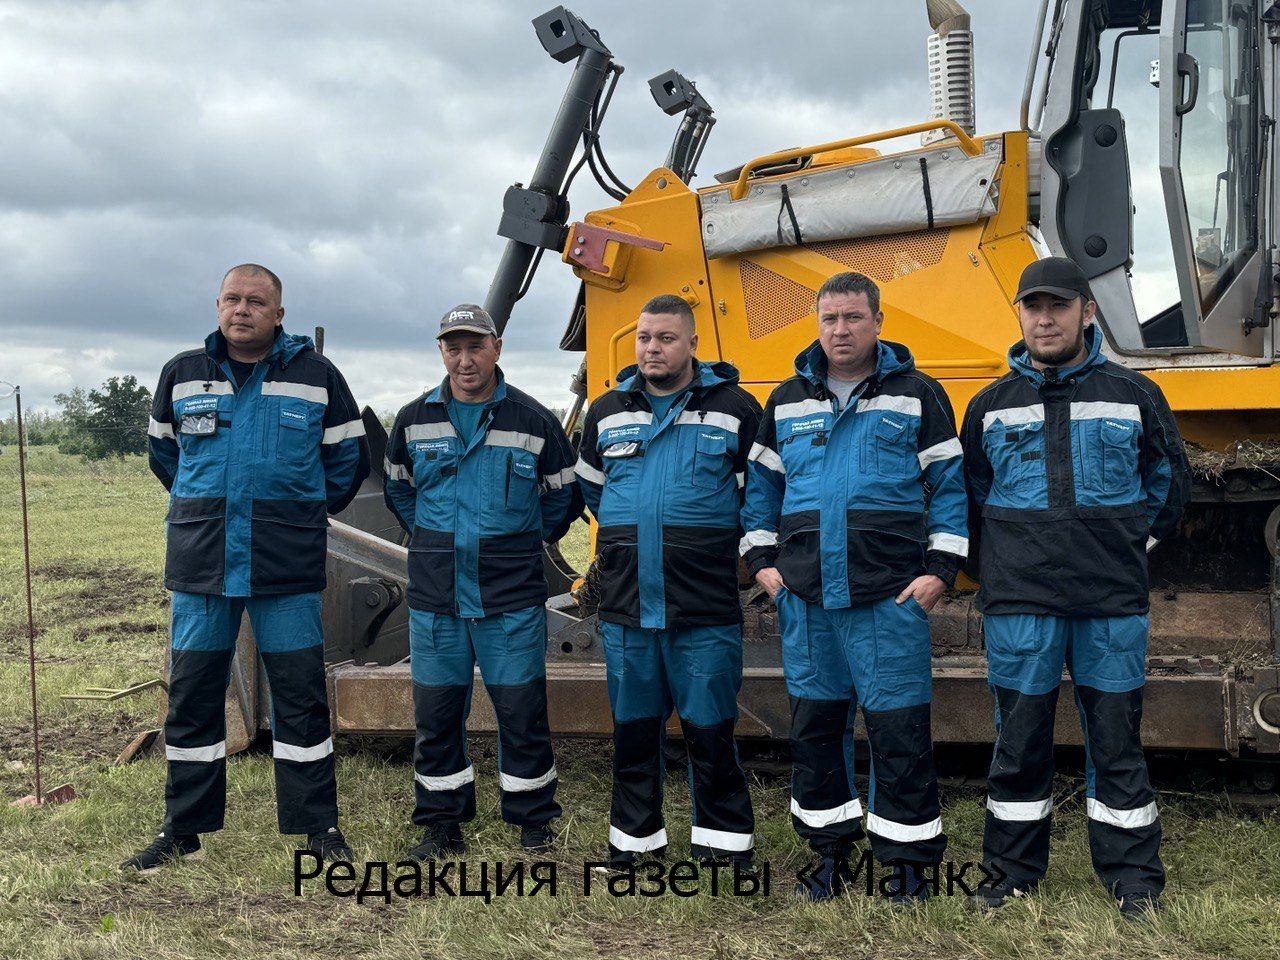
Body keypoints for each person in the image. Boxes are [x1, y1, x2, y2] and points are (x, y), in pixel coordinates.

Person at [961, 257, 1190, 917]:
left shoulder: (1133, 394)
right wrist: (1000, 566)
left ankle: (1134, 880)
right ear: (1021, 315)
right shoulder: (989, 405)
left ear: (1088, 312)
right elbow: (969, 501)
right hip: (1019, 607)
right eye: (1033, 306)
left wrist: (1123, 548)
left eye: (1058, 306)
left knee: (1117, 740)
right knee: (1018, 744)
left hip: (1110, 603)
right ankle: (1008, 876)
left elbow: (1169, 485)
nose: (1045, 318)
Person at [127, 263, 370, 873]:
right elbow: (167, 457)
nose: (243, 310)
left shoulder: (316, 377)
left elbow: (345, 463)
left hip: (284, 563)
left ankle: (317, 827)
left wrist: (297, 513)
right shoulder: (182, 375)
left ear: (279, 314)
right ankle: (183, 828)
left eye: (257, 302)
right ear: (216, 306)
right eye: (233, 299)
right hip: (203, 562)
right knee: (192, 698)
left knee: (301, 698)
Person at [741, 271, 967, 902]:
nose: (840, 330)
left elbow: (950, 489)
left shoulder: (917, 394)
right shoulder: (786, 400)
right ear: (817, 325)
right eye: (829, 319)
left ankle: (905, 865)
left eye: (852, 318)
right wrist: (764, 565)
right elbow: (760, 492)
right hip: (807, 601)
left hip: (888, 599)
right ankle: (827, 858)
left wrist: (938, 573)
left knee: (899, 736)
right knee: (817, 735)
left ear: (877, 322)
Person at [383, 304, 581, 860]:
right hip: (437, 594)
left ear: (497, 348)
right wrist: (433, 537)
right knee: (438, 713)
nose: (465, 359)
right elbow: (400, 489)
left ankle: (533, 818)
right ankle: (441, 822)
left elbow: (562, 496)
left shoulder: (533, 419)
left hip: (509, 592)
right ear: (441, 352)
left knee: (521, 710)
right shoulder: (413, 419)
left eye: (476, 346)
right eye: (454, 348)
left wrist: (514, 543)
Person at [574, 294, 761, 868]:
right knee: (633, 735)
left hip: (702, 607)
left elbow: (758, 494)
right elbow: (594, 491)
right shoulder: (605, 412)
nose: (653, 348)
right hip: (630, 608)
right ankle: (634, 851)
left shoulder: (735, 408)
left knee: (710, 732)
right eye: (645, 338)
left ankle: (724, 850)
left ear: (694, 345)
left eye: (666, 338)